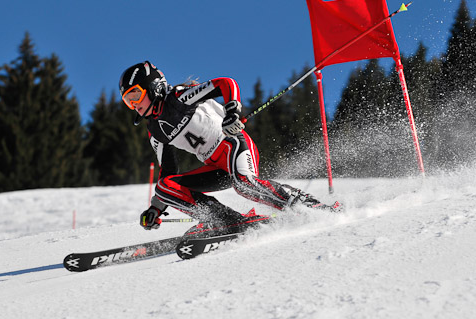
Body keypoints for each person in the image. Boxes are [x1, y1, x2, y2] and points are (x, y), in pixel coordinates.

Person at [119, 61, 339, 231]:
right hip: (215, 167)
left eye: (135, 95)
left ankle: (306, 205)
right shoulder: (155, 131)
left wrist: (233, 112)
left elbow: (226, 83)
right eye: (128, 101)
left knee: (244, 184)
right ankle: (226, 221)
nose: (134, 105)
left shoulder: (178, 98)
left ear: (153, 87)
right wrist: (156, 208)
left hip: (233, 144)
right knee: (164, 186)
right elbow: (168, 172)